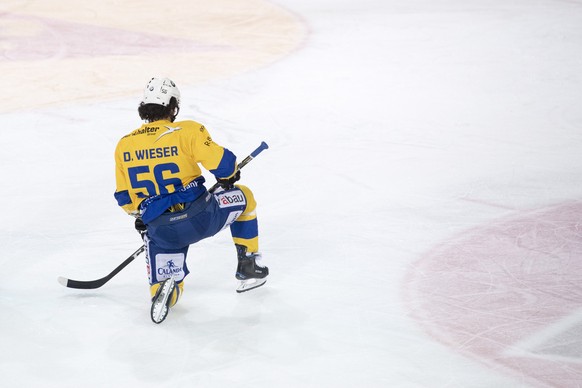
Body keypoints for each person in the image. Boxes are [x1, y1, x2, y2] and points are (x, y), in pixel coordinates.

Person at [113, 77, 268, 324]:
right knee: (245, 197)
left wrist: (140, 218)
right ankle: (248, 266)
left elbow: (125, 199)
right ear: (173, 106)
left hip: (161, 230)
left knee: (165, 283)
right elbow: (224, 165)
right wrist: (230, 176)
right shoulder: (187, 130)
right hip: (201, 217)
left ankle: (166, 289)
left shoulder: (125, 144)